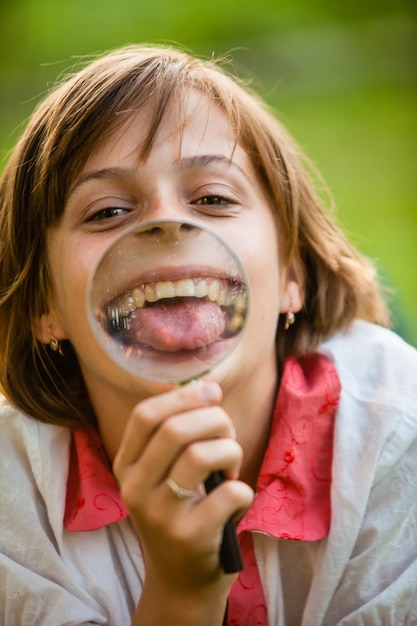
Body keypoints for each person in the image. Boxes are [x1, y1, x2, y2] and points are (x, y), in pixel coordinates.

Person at [0, 44, 416, 626]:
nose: (167, 221)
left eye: (213, 198)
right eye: (108, 211)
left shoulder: (398, 436)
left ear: (292, 274)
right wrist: (179, 594)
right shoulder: (11, 491)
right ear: (46, 307)